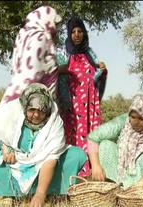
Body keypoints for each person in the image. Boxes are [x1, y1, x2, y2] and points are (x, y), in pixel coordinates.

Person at [0, 83, 87, 207]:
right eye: (31, 110)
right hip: (12, 159)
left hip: (42, 165)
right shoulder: (11, 111)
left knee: (76, 154)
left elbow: (51, 158)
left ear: (48, 110)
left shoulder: (55, 122)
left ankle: (51, 193)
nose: (36, 115)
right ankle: (8, 194)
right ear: (25, 107)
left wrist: (40, 194)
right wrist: (3, 146)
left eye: (41, 111)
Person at [56, 16, 108, 177]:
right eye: (73, 32)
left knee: (90, 133)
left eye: (80, 31)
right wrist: (60, 70)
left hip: (89, 103)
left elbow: (96, 76)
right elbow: (55, 73)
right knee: (72, 134)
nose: (77, 34)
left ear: (84, 34)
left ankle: (91, 169)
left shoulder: (90, 53)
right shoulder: (64, 53)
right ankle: (73, 171)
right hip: (72, 103)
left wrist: (102, 70)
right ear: (69, 34)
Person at [87, 94, 143, 187]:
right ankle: (108, 187)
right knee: (106, 145)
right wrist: (95, 166)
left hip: (142, 180)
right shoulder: (124, 121)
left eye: (141, 119)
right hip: (120, 170)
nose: (135, 122)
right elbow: (93, 137)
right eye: (133, 117)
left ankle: (130, 194)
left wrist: (140, 184)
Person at [0, 6, 62, 105]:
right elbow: (30, 75)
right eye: (55, 22)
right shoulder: (40, 38)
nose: (56, 27)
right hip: (35, 108)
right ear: (47, 19)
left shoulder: (23, 36)